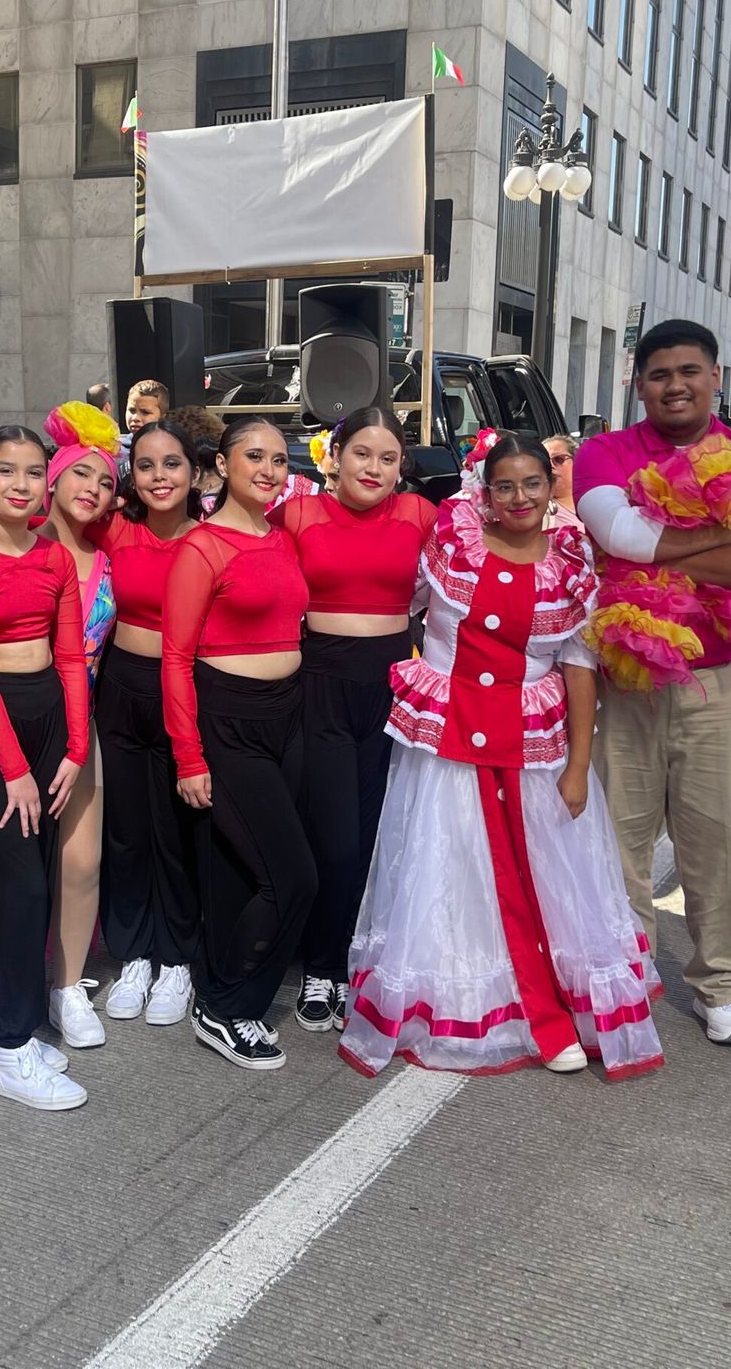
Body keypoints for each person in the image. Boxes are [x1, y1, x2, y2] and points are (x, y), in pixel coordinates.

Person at [340, 433, 664, 1078]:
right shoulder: (450, 541)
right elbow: (392, 599)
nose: (520, 497)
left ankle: (546, 1007)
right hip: (449, 736)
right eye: (505, 486)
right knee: (451, 869)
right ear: (485, 492)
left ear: (550, 487)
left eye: (532, 483)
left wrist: (578, 766)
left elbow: (578, 666)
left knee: (540, 875)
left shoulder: (570, 561)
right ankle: (465, 1004)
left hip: (531, 742)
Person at [573, 320, 731, 1046]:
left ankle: (723, 985)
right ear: (639, 384)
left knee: (716, 842)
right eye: (660, 374)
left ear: (715, 377)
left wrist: (653, 550)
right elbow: (617, 537)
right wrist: (723, 539)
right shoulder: (604, 454)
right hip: (626, 682)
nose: (676, 385)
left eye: (689, 371)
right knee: (617, 842)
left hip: (721, 683)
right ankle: (625, 976)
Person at [268, 407, 434, 1033]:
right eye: (362, 453)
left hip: (391, 689)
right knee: (332, 838)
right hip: (320, 686)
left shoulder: (420, 514)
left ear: (401, 467)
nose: (374, 468)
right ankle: (319, 964)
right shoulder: (297, 514)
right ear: (334, 456)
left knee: (373, 838)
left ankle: (349, 962)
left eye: (388, 458)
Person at [0, 428, 93, 1109]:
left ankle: (0, 1018)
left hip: (49, 716)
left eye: (34, 473)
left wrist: (76, 747)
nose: (21, 485)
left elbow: (71, 656)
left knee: (35, 880)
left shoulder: (53, 554)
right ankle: (11, 1048)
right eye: (6, 471)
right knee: (20, 888)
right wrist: (13, 769)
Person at [162, 417, 319, 1070]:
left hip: (289, 715)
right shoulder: (201, 548)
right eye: (254, 456)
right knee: (293, 878)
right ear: (223, 466)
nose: (269, 470)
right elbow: (176, 658)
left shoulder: (282, 538)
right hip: (227, 721)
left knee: (242, 872)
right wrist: (188, 755)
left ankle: (219, 990)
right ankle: (230, 1006)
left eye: (280, 460)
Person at [95, 421, 204, 1027]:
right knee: (126, 830)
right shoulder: (117, 529)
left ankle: (177, 958)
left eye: (171, 464)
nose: (159, 477)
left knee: (177, 832)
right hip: (121, 689)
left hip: (185, 695)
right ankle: (133, 954)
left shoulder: (212, 538)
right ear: (130, 476)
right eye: (145, 466)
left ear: (194, 471)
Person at [34, 402, 122, 1050]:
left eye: (106, 481)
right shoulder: (18, 545)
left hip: (80, 722)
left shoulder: (109, 559)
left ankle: (66, 987)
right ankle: (12, 989)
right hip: (15, 721)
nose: (93, 488)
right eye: (82, 474)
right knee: (19, 868)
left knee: (83, 861)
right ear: (55, 477)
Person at [544, 433, 579, 508]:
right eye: (545, 462)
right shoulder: (540, 510)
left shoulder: (595, 499)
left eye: (558, 459)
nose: (550, 466)